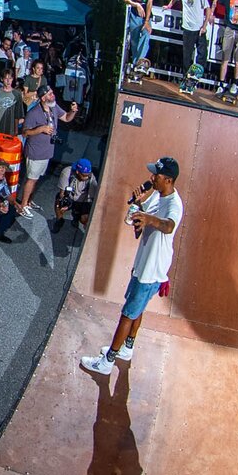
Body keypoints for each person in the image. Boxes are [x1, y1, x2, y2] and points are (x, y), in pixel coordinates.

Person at [81, 156, 183, 376]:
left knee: (127, 314)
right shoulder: (156, 194)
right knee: (137, 309)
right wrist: (137, 206)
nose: (151, 177)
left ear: (168, 179)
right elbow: (137, 224)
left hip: (151, 271)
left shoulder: (175, 205)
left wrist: (149, 218)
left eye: (156, 175)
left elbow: (168, 226)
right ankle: (127, 347)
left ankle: (107, 361)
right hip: (143, 264)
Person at [17, 86, 78, 218]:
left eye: (52, 92)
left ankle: (29, 201)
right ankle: (22, 205)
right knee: (31, 179)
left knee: (36, 178)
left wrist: (73, 111)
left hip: (47, 152)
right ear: (43, 98)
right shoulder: (33, 113)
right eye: (50, 94)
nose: (53, 95)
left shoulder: (54, 107)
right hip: (35, 152)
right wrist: (40, 129)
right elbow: (25, 133)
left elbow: (67, 118)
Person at [165, 0, 211, 74]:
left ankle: (197, 73)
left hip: (199, 28)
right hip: (187, 28)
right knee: (186, 54)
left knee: (203, 52)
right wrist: (169, 5)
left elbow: (207, 8)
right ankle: (186, 76)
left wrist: (204, 26)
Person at [124, 0, 158, 65]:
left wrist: (147, 21)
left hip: (146, 15)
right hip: (135, 14)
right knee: (134, 40)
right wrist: (137, 5)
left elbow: (149, 2)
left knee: (146, 34)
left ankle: (139, 62)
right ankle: (135, 64)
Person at [53, 158, 99, 232]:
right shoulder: (67, 172)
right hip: (70, 197)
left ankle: (76, 217)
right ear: (77, 172)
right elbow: (62, 193)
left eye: (88, 175)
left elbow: (92, 197)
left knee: (85, 218)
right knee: (59, 203)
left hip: (83, 200)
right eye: (84, 175)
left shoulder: (91, 178)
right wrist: (66, 203)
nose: (86, 177)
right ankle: (59, 220)